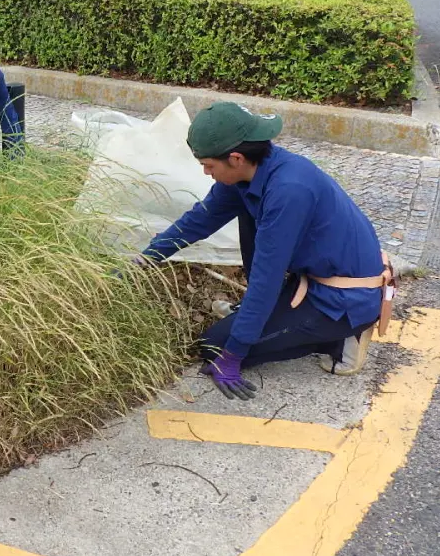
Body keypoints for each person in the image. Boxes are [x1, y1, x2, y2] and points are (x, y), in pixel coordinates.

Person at [135, 102, 392, 401]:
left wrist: (234, 353)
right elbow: (201, 219)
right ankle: (275, 318)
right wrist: (146, 258)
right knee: (245, 210)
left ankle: (341, 338)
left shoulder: (289, 190)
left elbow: (266, 280)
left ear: (235, 157)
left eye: (208, 165)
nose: (206, 173)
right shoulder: (250, 175)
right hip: (312, 277)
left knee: (214, 346)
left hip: (342, 299)